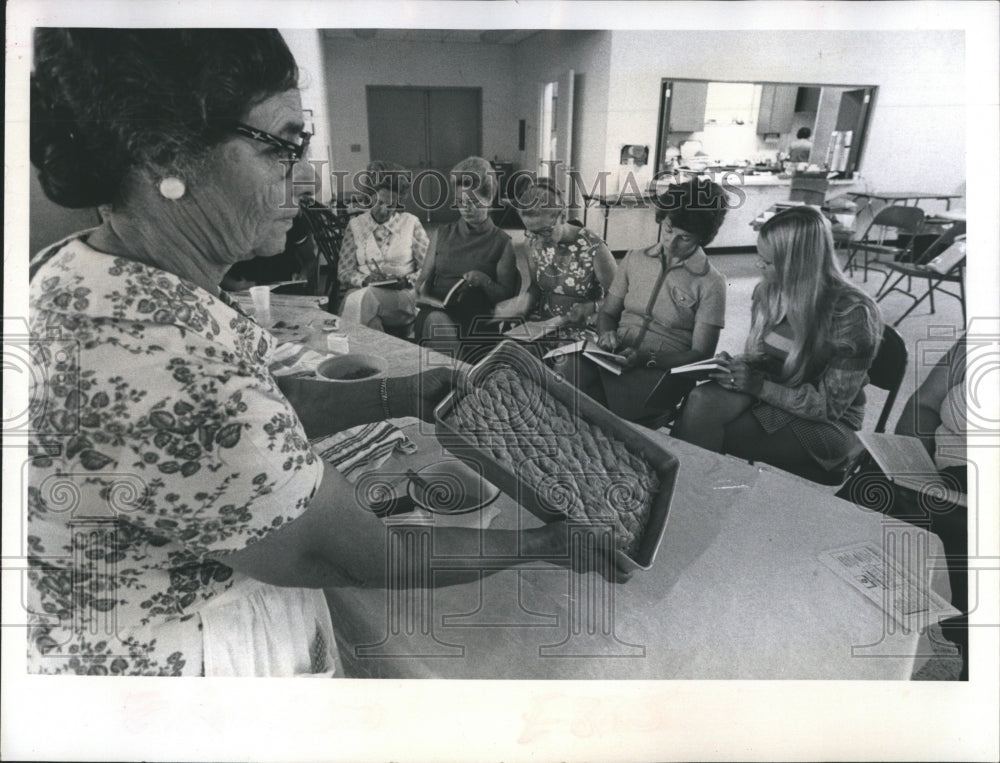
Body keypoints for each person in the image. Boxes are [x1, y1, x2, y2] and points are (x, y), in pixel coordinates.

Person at [28, 29, 567, 677]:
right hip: (183, 680)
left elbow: (273, 399)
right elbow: (362, 554)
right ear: (167, 157)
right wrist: (549, 541)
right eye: (281, 146)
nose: (309, 179)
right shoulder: (168, 364)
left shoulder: (88, 268)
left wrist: (400, 392)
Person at [672, 206, 883, 481]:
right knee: (699, 400)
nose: (758, 267)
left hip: (829, 424)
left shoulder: (853, 314)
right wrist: (738, 366)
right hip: (777, 394)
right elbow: (766, 356)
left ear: (799, 265)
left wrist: (758, 386)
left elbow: (828, 408)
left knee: (702, 426)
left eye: (768, 263)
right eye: (759, 258)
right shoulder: (769, 291)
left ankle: (689, 494)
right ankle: (689, 491)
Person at [592, 177, 729, 424]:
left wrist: (646, 358)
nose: (671, 243)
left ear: (702, 237)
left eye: (684, 238)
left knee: (597, 410)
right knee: (562, 379)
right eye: (668, 230)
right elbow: (608, 313)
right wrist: (606, 334)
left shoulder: (711, 283)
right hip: (615, 357)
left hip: (665, 372)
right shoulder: (635, 259)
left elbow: (700, 356)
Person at [414, 156, 517, 360]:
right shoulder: (442, 234)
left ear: (489, 199)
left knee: (443, 326)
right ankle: (461, 372)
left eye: (473, 202)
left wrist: (485, 281)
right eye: (460, 202)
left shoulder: (502, 242)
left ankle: (455, 372)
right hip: (436, 311)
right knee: (437, 321)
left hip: (475, 319)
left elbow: (506, 298)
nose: (466, 209)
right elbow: (422, 283)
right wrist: (423, 296)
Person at [335, 160, 429, 336]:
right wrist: (365, 281)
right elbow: (344, 272)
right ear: (370, 197)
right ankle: (380, 350)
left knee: (358, 300)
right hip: (363, 292)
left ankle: (350, 348)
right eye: (379, 203)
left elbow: (428, 268)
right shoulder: (355, 225)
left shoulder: (411, 223)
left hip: (402, 296)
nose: (384, 210)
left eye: (391, 205)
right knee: (365, 305)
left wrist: (407, 280)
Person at [510, 179, 616, 335]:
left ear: (563, 216)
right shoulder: (531, 244)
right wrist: (520, 306)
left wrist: (593, 307)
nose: (538, 240)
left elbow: (619, 299)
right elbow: (535, 287)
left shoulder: (594, 248)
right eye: (531, 231)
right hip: (541, 325)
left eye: (545, 231)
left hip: (581, 327)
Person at [220, 196, 319, 294]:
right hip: (243, 289)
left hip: (284, 288)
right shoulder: (232, 220)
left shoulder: (291, 219)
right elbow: (214, 271)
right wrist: (234, 285)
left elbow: (310, 260)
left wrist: (302, 275)